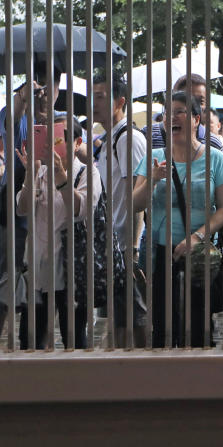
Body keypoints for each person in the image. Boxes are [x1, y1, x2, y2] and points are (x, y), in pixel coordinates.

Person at [132, 92, 223, 348]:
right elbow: (135, 204)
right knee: (162, 325)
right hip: (158, 253)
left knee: (198, 324)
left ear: (197, 119)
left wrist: (197, 236)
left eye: (179, 111)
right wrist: (154, 178)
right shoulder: (153, 157)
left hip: (198, 254)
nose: (171, 118)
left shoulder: (216, 159)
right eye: (167, 113)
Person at [15, 118, 100, 350]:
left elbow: (80, 210)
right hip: (38, 270)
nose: (52, 145)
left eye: (59, 139)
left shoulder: (86, 173)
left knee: (73, 339)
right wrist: (29, 174)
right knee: (30, 340)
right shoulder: (39, 171)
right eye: (47, 139)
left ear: (77, 142)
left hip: (72, 271)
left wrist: (61, 176)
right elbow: (22, 208)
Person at [0, 62, 63, 343]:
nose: (44, 93)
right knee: (4, 281)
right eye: (38, 86)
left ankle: (38, 349)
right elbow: (11, 118)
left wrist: (48, 120)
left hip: (49, 215)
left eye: (49, 86)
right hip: (15, 213)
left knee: (44, 288)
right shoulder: (16, 115)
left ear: (58, 89)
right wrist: (23, 97)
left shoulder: (63, 120)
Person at [80, 71, 149, 348]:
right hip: (113, 244)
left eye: (100, 97)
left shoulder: (128, 139)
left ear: (120, 101)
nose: (93, 104)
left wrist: (132, 247)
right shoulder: (109, 139)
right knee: (120, 315)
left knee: (136, 314)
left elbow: (139, 196)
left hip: (125, 245)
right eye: (92, 97)